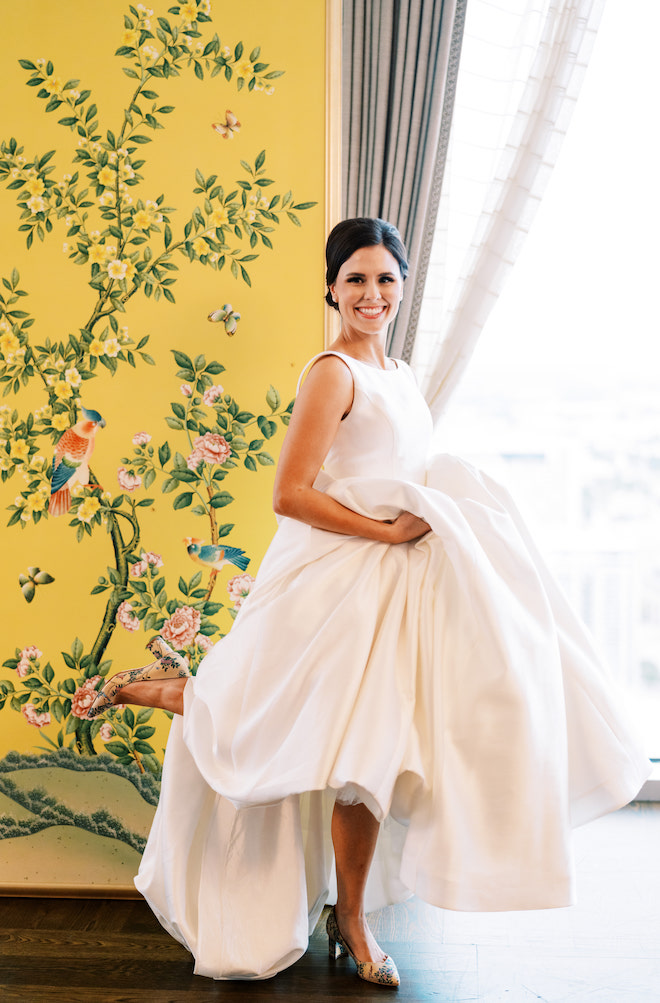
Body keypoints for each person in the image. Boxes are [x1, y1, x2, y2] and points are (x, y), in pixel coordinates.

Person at [88, 218, 650, 985]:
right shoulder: (332, 372)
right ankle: (165, 692)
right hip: (338, 577)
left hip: (398, 590)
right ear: (330, 287)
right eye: (355, 278)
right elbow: (290, 493)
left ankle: (350, 917)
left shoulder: (404, 373)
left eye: (386, 279)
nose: (371, 294)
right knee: (272, 720)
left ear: (404, 286)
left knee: (369, 755)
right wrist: (386, 535)